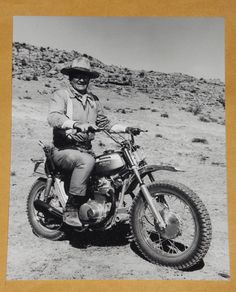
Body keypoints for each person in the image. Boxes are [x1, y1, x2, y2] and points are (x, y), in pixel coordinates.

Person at [48, 57, 140, 227]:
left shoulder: (93, 100)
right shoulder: (62, 95)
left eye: (85, 76)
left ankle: (103, 207)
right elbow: (54, 117)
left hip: (86, 149)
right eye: (77, 75)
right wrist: (76, 125)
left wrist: (126, 128)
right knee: (87, 161)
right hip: (63, 149)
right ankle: (71, 208)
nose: (81, 79)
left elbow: (105, 124)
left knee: (110, 166)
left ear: (89, 79)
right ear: (70, 77)